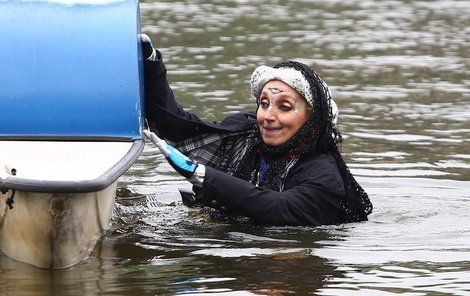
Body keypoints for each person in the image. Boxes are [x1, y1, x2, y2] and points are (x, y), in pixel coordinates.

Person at [141, 35, 372, 226]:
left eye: (284, 107)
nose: (268, 116)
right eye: (264, 104)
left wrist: (202, 175)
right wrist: (150, 64)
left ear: (311, 120)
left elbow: (277, 208)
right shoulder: (247, 135)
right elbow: (177, 126)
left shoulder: (324, 175)